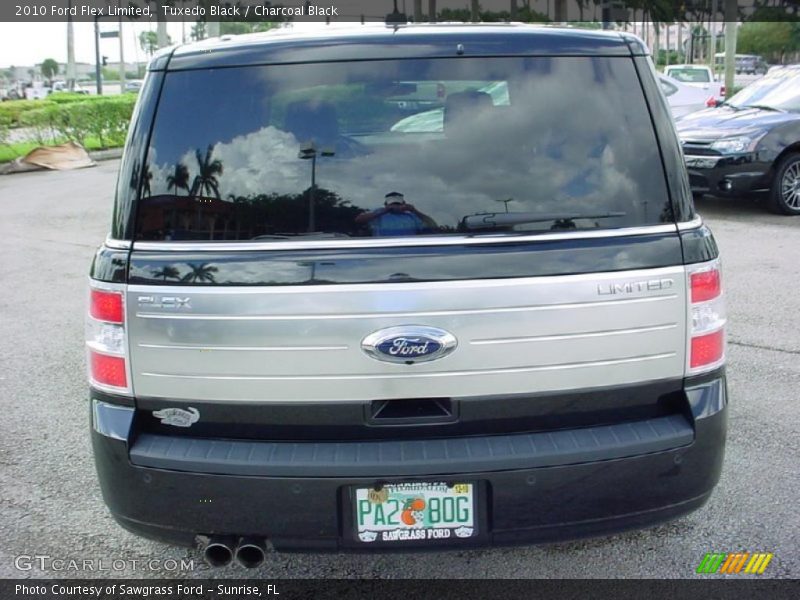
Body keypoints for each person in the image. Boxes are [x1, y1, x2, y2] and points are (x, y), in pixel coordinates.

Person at [355, 192, 437, 237]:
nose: (395, 206)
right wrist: (384, 211)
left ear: (404, 204)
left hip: (409, 251)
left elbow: (433, 226)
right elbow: (358, 220)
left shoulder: (412, 216)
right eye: (392, 204)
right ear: (386, 204)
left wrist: (414, 210)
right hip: (382, 251)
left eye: (398, 204)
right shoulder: (379, 214)